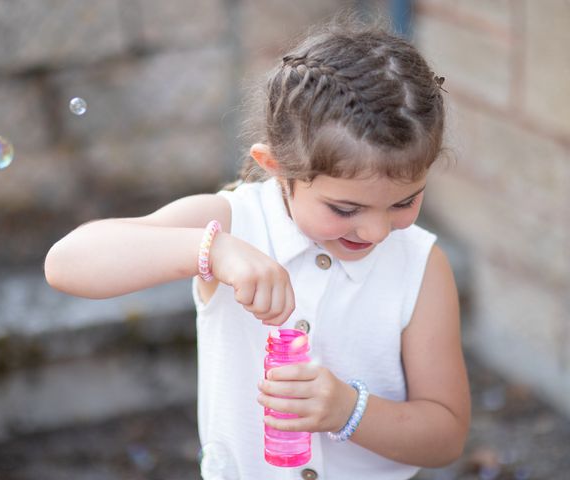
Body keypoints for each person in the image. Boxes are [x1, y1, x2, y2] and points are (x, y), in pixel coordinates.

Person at [45, 17, 470, 480]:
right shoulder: (234, 223)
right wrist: (213, 251)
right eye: (345, 208)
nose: (377, 232)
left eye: (404, 201)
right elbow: (66, 262)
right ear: (276, 167)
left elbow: (446, 434)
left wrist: (349, 410)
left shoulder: (421, 266)